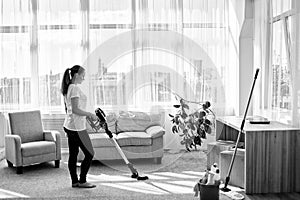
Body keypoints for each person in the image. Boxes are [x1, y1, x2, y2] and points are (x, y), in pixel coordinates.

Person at [61, 65, 97, 188]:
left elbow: (72, 109)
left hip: (71, 125)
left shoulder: (70, 87)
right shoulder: (75, 88)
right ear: (76, 75)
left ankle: (75, 182)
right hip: (76, 128)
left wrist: (85, 116)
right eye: (83, 76)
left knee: (73, 154)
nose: (84, 78)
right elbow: (75, 109)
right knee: (90, 153)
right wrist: (89, 114)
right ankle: (82, 181)